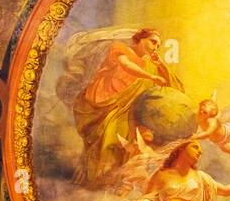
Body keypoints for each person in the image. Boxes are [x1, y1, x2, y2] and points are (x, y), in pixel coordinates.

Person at [72, 28, 175, 188]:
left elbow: (169, 85)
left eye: (158, 45)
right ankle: (95, 179)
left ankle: (111, 181)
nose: (155, 47)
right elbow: (126, 65)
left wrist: (160, 66)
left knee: (124, 139)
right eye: (153, 41)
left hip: (126, 106)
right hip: (105, 98)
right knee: (106, 132)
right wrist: (151, 76)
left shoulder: (149, 63)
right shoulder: (120, 48)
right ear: (141, 39)